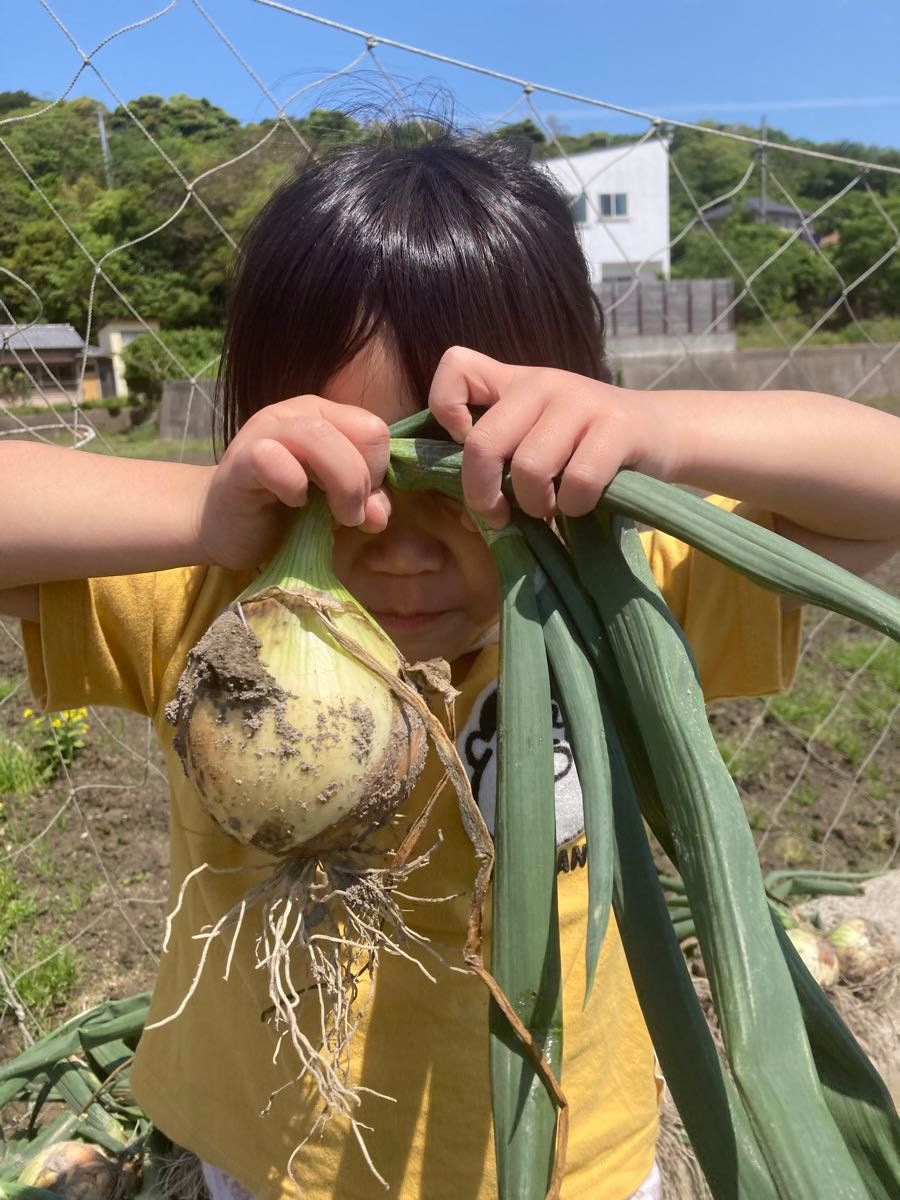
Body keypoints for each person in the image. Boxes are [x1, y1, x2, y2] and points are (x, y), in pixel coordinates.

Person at [2, 127, 899, 1200]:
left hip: (568, 1160)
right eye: (339, 479)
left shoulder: (620, 592)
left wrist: (657, 435)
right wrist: (201, 512)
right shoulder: (218, 605)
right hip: (276, 1160)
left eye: (468, 476)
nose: (403, 545)